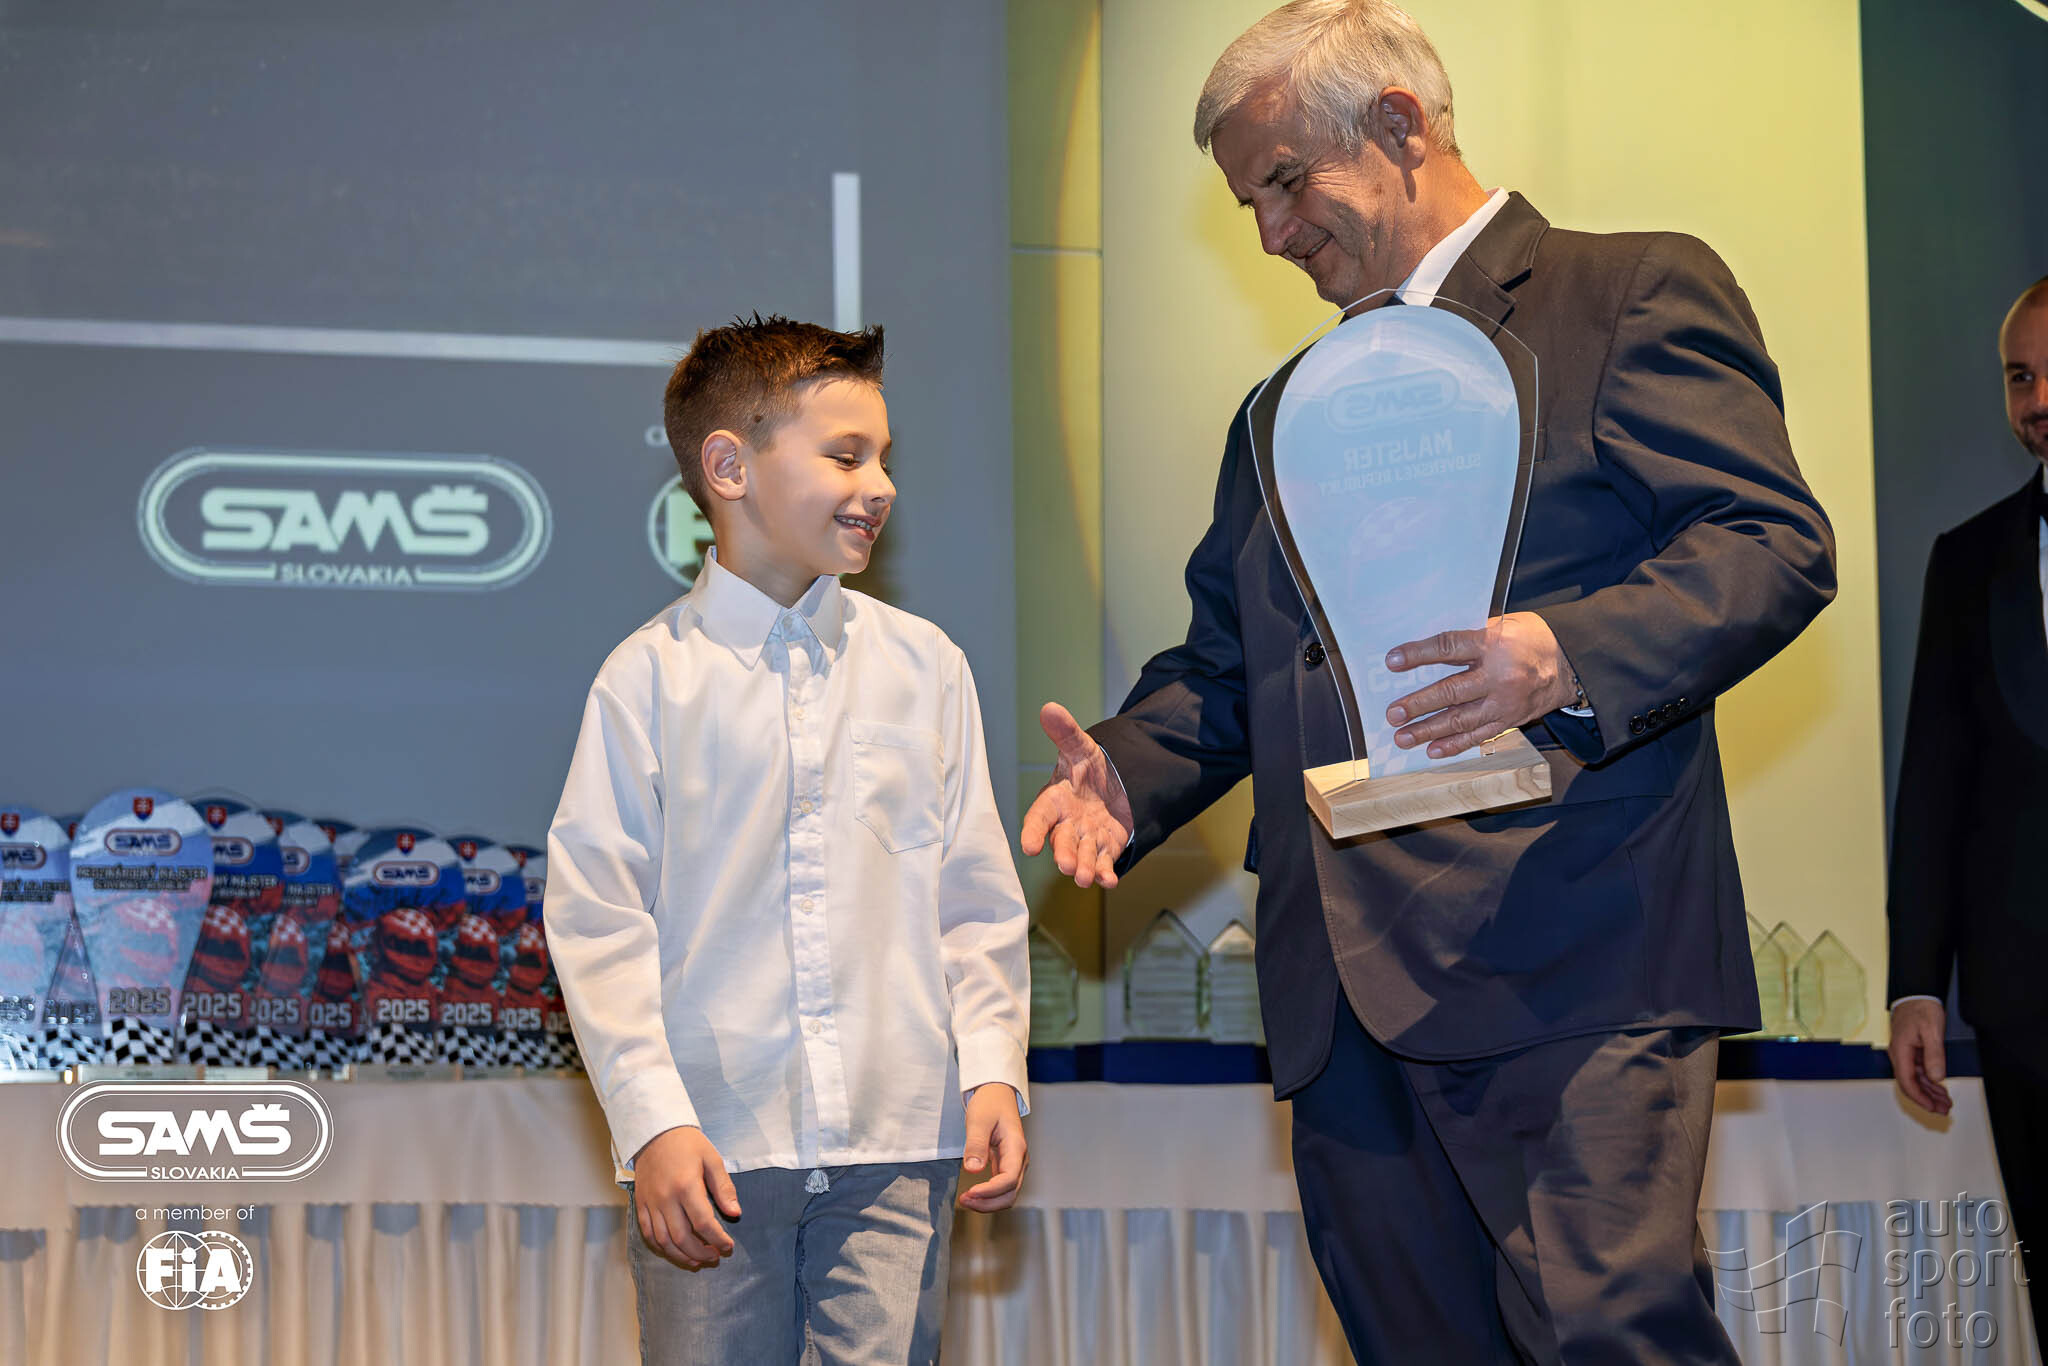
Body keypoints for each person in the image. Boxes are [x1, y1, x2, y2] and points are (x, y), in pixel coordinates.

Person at [1022, 3, 1836, 1361]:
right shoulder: (1281, 408)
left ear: (1398, 125)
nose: (1270, 234)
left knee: (1609, 1336)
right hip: (1340, 998)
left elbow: (1768, 542)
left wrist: (1565, 650)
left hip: (1569, 949)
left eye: (1286, 181)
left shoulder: (1625, 294)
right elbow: (1232, 663)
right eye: (1246, 203)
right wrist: (1130, 768)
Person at [544, 316, 1030, 1366]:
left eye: (885, 458)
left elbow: (974, 896)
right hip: (713, 1142)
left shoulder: (927, 666)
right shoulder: (647, 679)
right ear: (728, 467)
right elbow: (596, 920)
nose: (880, 485)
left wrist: (992, 1067)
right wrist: (653, 1121)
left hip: (899, 1135)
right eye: (846, 456)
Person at [1886, 276, 2048, 1354]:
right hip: (2027, 1008)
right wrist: (1915, 983)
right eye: (2018, 377)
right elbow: (1933, 786)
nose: (2037, 400)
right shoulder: (1968, 559)